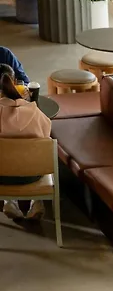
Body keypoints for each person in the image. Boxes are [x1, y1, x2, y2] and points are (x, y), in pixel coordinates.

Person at [0, 64, 51, 220]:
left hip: (1, 176)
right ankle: (37, 202)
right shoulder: (33, 111)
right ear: (14, 82)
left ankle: (9, 201)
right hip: (32, 175)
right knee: (41, 152)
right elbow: (45, 137)